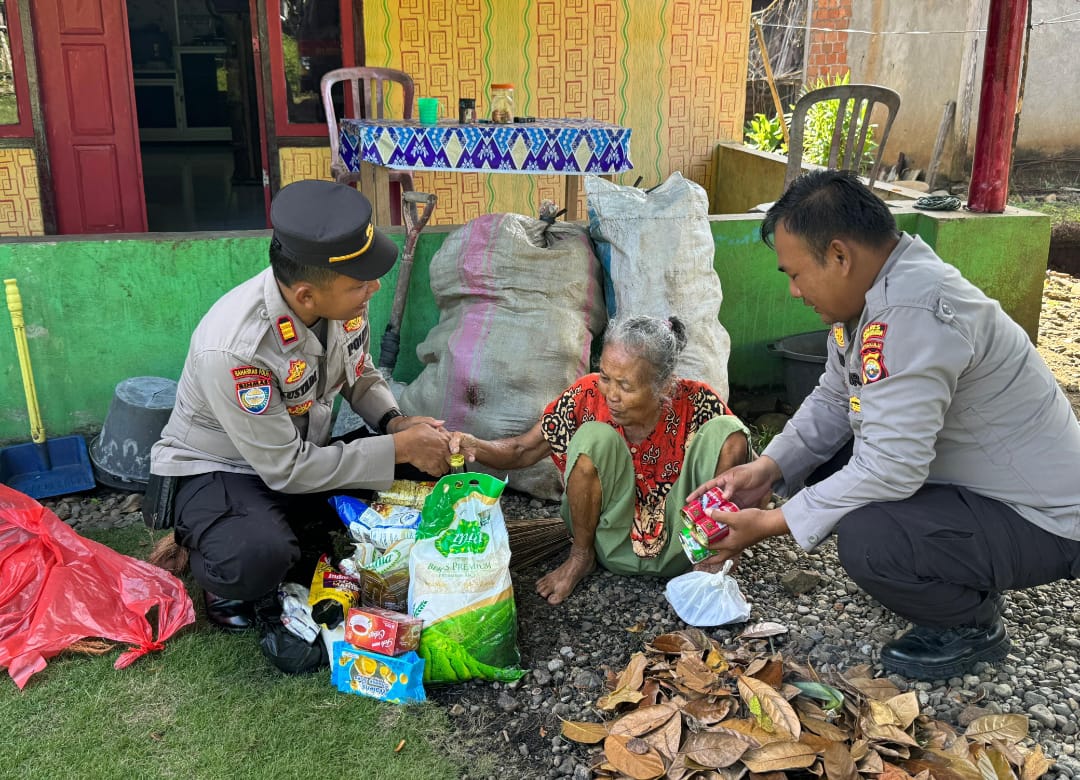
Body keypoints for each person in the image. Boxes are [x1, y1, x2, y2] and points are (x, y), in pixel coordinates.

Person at [690, 169, 1080, 680]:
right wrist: (767, 469)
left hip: (1044, 518)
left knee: (869, 538)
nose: (794, 291)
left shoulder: (911, 312)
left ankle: (970, 624)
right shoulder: (875, 294)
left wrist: (770, 524)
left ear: (839, 256)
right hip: (979, 488)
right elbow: (835, 398)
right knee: (828, 465)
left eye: (796, 274)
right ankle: (953, 573)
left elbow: (892, 467)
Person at [150, 180, 452, 631]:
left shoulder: (341, 301)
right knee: (258, 555)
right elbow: (285, 469)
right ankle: (220, 556)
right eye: (360, 284)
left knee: (431, 457)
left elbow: (360, 372)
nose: (373, 287)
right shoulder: (237, 348)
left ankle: (295, 525)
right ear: (307, 295)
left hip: (302, 456)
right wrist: (397, 448)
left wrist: (396, 423)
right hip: (227, 470)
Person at [450, 315, 750, 605]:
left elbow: (751, 471)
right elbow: (522, 449)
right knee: (593, 437)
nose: (611, 395)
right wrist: (477, 446)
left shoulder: (698, 402)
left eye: (626, 386)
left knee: (729, 431)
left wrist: (742, 534)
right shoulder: (587, 395)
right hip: (610, 541)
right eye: (606, 377)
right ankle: (580, 558)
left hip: (684, 546)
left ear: (665, 387)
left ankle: (713, 560)